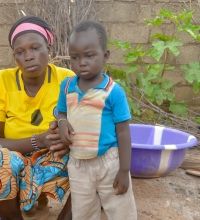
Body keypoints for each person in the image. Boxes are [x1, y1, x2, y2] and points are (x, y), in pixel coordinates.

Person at [0, 16, 74, 220]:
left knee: (99, 155)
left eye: (35, 48)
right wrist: (39, 140)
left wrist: (67, 139)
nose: (28, 56)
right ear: (14, 56)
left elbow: (85, 127)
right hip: (15, 159)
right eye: (20, 51)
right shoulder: (0, 82)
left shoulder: (67, 80)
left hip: (57, 158)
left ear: (48, 47)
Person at [57, 20, 137, 219]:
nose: (81, 62)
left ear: (105, 56)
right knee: (83, 212)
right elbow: (61, 112)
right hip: (78, 164)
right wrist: (62, 123)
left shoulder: (113, 92)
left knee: (120, 210)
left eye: (89, 55)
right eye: (75, 57)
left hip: (109, 163)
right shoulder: (66, 87)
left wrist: (124, 170)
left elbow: (124, 131)